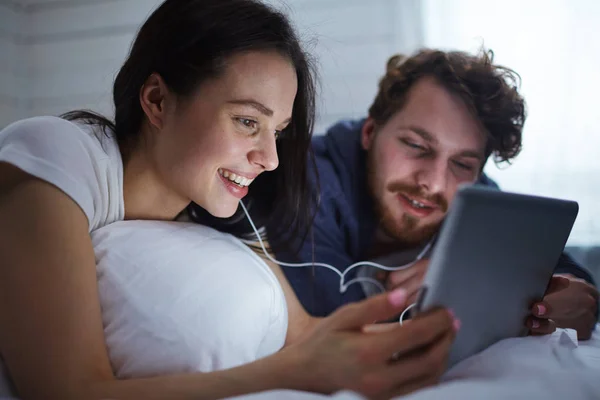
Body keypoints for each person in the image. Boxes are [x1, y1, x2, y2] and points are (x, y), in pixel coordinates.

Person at [0, 1, 460, 399]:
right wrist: (289, 374)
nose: (270, 159)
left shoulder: (220, 204)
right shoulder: (61, 156)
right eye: (246, 121)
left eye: (277, 131)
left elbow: (304, 335)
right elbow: (69, 391)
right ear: (157, 100)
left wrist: (456, 325)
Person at [278, 48, 599, 340]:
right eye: (416, 146)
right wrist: (461, 288)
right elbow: (340, 333)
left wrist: (566, 298)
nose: (433, 183)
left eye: (461, 163)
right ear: (370, 132)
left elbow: (567, 275)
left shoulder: (474, 195)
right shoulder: (305, 180)